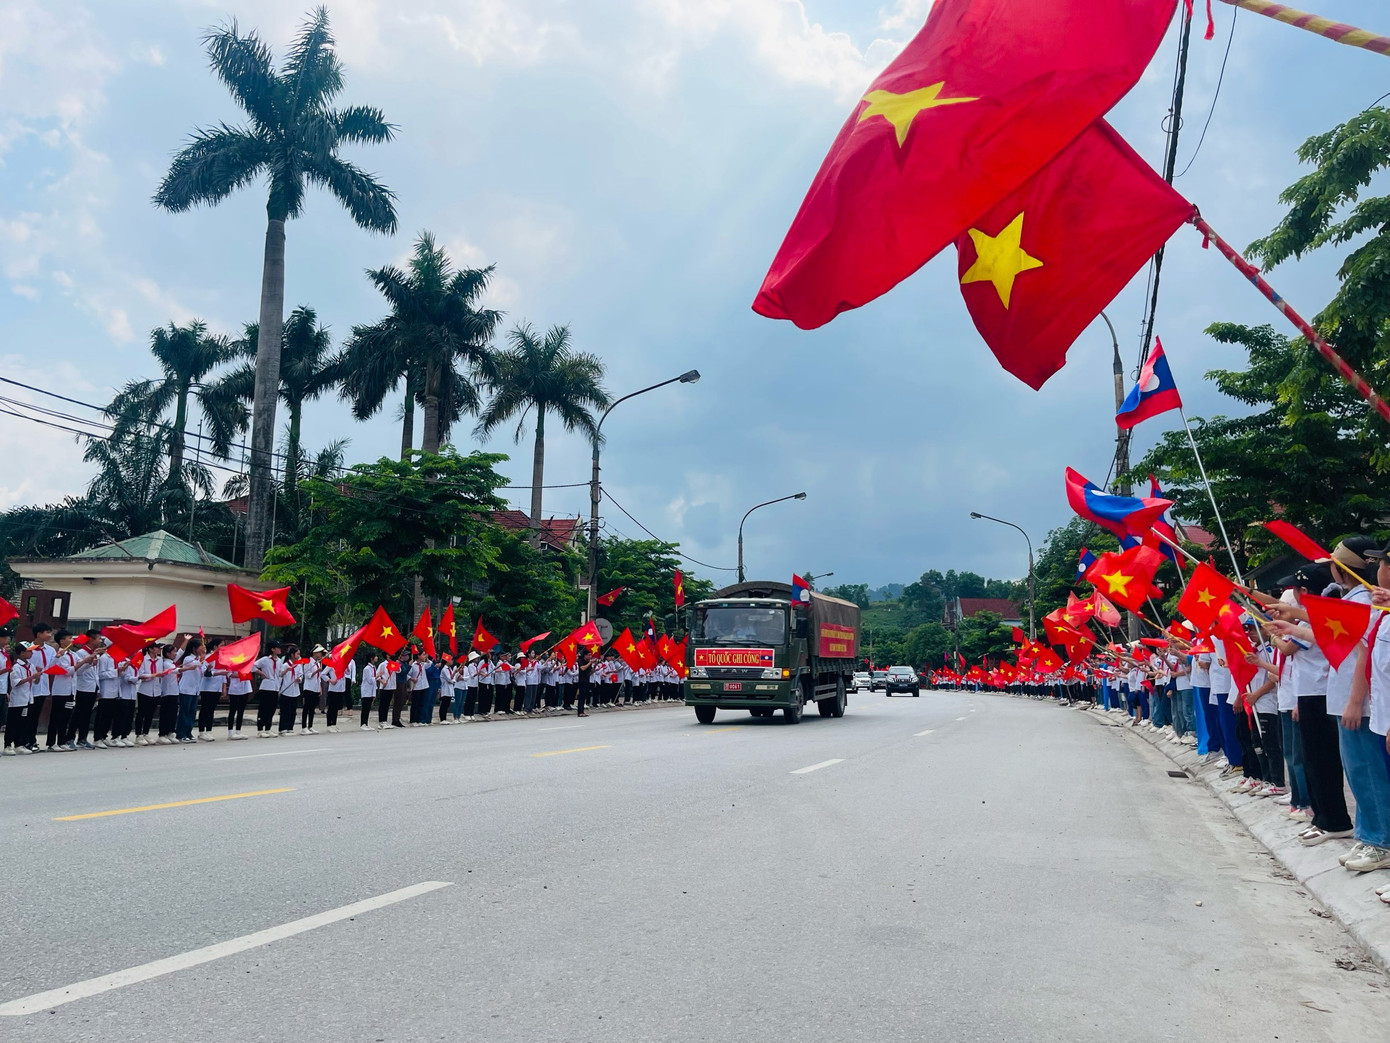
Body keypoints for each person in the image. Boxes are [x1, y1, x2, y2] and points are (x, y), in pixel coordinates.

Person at [3, 643, 36, 754]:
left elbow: (35, 680)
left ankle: (19, 744)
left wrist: (37, 677)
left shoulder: (31, 665)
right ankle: (7, 745)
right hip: (17, 699)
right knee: (13, 722)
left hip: (27, 698)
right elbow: (16, 683)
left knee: (22, 722)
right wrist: (32, 677)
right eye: (29, 651)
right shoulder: (16, 667)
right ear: (22, 653)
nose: (31, 653)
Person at [253, 641, 282, 738]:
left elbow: (280, 674)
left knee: (272, 709)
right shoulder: (265, 659)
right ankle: (260, 729)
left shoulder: (279, 661)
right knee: (263, 708)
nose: (279, 649)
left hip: (275, 687)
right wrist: (260, 673)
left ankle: (268, 728)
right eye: (277, 647)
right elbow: (252, 665)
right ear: (273, 649)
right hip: (266, 687)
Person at [278, 645, 302, 735]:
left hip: (295, 690)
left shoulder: (298, 665)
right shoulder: (285, 665)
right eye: (297, 654)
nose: (298, 655)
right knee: (285, 710)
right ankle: (282, 728)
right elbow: (280, 676)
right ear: (292, 655)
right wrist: (286, 671)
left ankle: (290, 727)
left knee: (293, 710)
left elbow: (301, 675)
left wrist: (299, 679)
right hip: (286, 690)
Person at [359, 652, 379, 730]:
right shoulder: (367, 668)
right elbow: (370, 680)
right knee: (365, 708)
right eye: (375, 656)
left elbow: (374, 680)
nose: (377, 658)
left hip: (371, 690)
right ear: (371, 658)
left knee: (368, 708)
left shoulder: (373, 667)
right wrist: (378, 676)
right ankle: (363, 724)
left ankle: (366, 723)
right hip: (366, 691)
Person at [576, 646, 593, 718]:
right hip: (581, 681)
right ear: (585, 655)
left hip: (587, 680)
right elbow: (582, 668)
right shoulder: (581, 661)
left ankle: (582, 711)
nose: (590, 656)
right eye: (589, 655)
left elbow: (591, 672)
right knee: (581, 696)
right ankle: (580, 712)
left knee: (584, 696)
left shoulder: (588, 662)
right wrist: (590, 663)